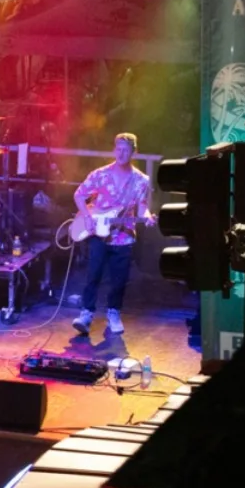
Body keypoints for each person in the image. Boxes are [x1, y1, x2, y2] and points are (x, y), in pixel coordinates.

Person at [71, 132, 156, 337]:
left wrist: (148, 217)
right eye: (118, 148)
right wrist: (87, 217)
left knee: (119, 279)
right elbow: (79, 195)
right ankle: (86, 313)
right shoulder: (100, 174)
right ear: (113, 149)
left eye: (126, 149)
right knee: (93, 275)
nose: (121, 153)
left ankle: (114, 312)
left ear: (134, 152)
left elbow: (142, 207)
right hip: (98, 233)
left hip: (123, 236)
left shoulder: (141, 180)